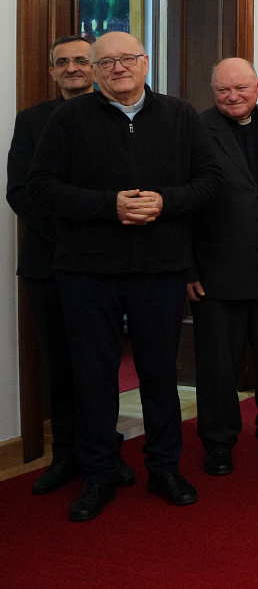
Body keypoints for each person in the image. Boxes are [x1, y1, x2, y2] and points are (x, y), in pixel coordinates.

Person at [29, 31, 221, 521]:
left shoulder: (180, 115)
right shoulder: (68, 119)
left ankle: (164, 468)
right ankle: (98, 473)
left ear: (146, 62)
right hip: (86, 272)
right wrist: (108, 206)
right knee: (93, 378)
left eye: (128, 58)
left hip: (160, 270)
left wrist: (166, 202)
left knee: (160, 375)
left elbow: (210, 182)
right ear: (95, 71)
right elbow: (41, 188)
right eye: (107, 61)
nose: (119, 68)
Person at [6, 36, 137, 496]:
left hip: (105, 264)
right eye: (63, 62)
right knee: (60, 365)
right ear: (52, 72)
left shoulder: (119, 116)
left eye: (82, 60)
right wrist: (70, 236)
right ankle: (65, 455)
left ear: (97, 67)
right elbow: (22, 193)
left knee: (102, 364)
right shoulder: (32, 121)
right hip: (49, 265)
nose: (73, 68)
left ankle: (107, 452)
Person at [187, 58, 258, 476]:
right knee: (218, 366)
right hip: (216, 272)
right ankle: (218, 442)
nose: (233, 96)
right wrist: (188, 268)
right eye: (223, 90)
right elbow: (185, 206)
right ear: (212, 91)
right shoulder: (194, 130)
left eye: (241, 88)